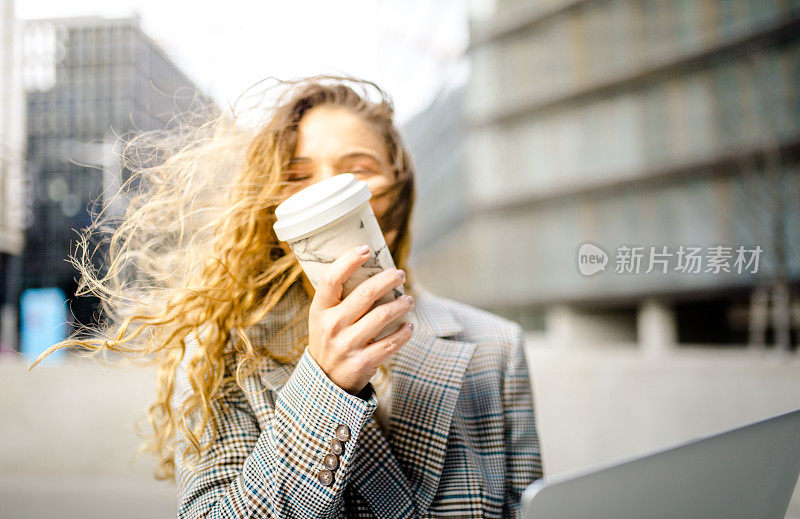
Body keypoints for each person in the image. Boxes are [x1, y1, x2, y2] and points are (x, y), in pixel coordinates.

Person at [30, 75, 544, 517]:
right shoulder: (222, 349)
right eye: (298, 176)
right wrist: (325, 388)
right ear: (276, 208)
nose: (326, 190)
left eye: (356, 168)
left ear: (396, 191)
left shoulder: (493, 347)